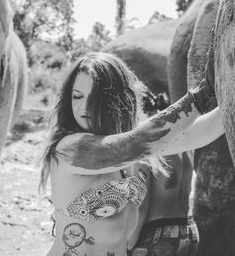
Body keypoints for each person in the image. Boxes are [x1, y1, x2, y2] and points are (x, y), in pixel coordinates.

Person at [39, 52, 224, 256]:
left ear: (116, 99)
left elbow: (201, 133)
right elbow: (134, 144)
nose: (83, 107)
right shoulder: (69, 148)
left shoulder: (133, 145)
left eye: (96, 97)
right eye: (77, 96)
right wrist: (202, 94)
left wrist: (228, 93)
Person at [128, 93, 199, 256]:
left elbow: (142, 205)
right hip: (188, 229)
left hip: (157, 236)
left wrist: (128, 244)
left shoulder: (146, 143)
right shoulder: (182, 140)